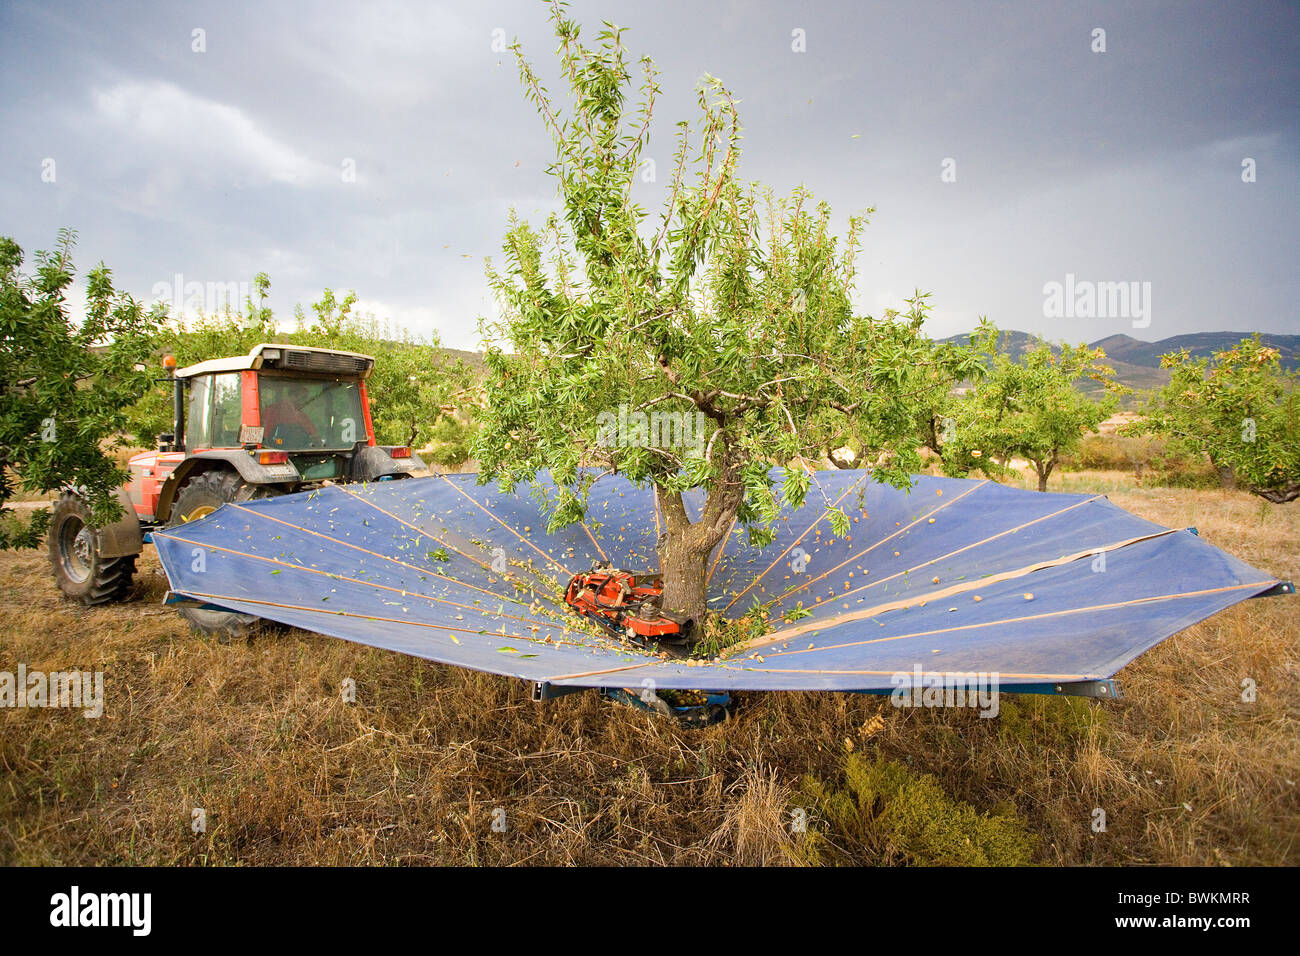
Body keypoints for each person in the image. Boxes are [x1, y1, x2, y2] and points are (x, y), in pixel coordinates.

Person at [261, 380, 320, 444]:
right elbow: (266, 433)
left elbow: (313, 433)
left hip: (297, 446)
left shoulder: (301, 414)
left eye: (305, 398)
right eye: (303, 398)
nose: (305, 401)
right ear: (293, 396)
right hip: (278, 447)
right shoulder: (274, 410)